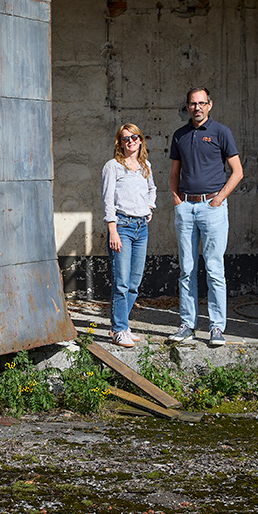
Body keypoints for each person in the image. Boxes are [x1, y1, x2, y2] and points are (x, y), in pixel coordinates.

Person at [167, 88, 243, 347]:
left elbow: (237, 172)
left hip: (213, 207)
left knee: (214, 270)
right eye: (192, 103)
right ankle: (187, 324)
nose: (197, 107)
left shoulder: (221, 132)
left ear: (210, 105)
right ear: (187, 107)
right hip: (186, 207)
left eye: (201, 103)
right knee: (186, 269)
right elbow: (174, 173)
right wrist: (177, 199)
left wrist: (219, 199)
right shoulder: (180, 135)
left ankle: (217, 327)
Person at [101, 123, 157, 348]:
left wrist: (150, 207)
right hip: (121, 227)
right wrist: (112, 229)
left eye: (134, 137)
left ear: (141, 140)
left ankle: (122, 323)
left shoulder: (145, 166)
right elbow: (107, 200)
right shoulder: (113, 166)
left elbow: (152, 189)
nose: (130, 141)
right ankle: (118, 329)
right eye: (125, 138)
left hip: (141, 228)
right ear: (120, 143)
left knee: (134, 282)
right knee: (121, 282)